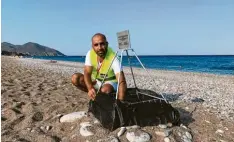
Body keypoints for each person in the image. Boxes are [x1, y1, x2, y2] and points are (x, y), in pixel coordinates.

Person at [71, 33, 127, 100]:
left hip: (110, 82)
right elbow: (87, 72)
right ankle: (96, 96)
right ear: (92, 46)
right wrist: (90, 88)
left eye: (102, 44)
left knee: (105, 90)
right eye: (96, 45)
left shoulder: (113, 57)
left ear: (107, 44)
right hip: (96, 81)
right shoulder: (90, 53)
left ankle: (103, 98)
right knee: (75, 78)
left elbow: (121, 81)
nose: (99, 48)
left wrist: (120, 103)